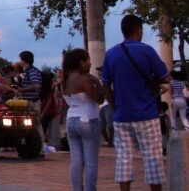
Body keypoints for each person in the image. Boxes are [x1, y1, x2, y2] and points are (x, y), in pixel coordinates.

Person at [102, 14, 171, 191]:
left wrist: (114, 105)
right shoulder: (147, 51)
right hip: (147, 114)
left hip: (122, 115)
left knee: (124, 158)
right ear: (139, 31)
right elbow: (166, 78)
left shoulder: (111, 54)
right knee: (153, 157)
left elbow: (106, 85)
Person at [62, 48, 103, 191]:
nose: (90, 63)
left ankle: (76, 189)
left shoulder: (65, 80)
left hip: (71, 119)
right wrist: (97, 82)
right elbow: (98, 98)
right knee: (91, 161)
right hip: (88, 119)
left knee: (76, 162)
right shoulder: (83, 79)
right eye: (88, 60)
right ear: (81, 62)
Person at [17, 51, 45, 145]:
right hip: (29, 101)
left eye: (20, 59)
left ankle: (40, 148)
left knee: (36, 124)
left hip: (32, 102)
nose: (19, 62)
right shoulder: (28, 71)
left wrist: (22, 90)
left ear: (24, 61)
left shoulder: (31, 71)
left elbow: (36, 85)